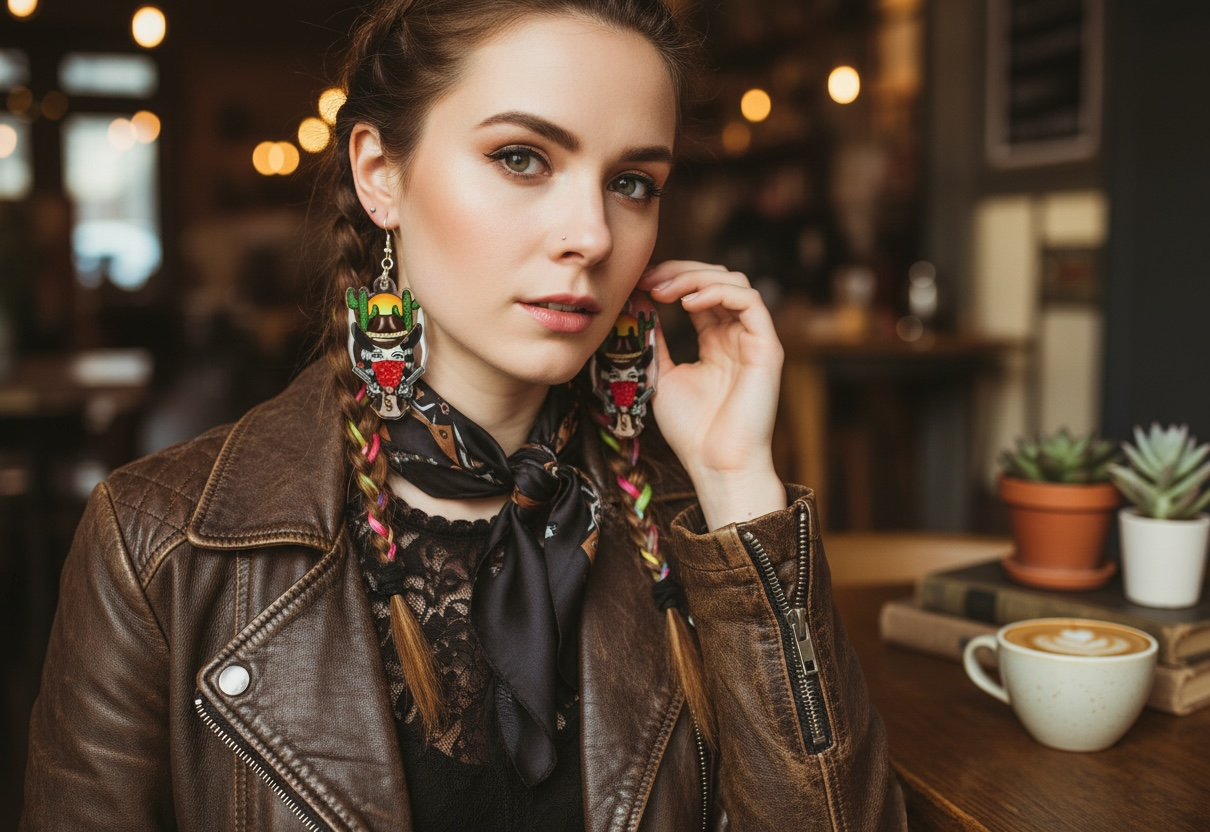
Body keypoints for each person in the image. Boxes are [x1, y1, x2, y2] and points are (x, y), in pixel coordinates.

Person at [21, 1, 906, 829]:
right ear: (380, 175)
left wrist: (735, 483)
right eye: (522, 157)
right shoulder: (159, 546)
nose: (593, 235)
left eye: (633, 181)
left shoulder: (688, 524)